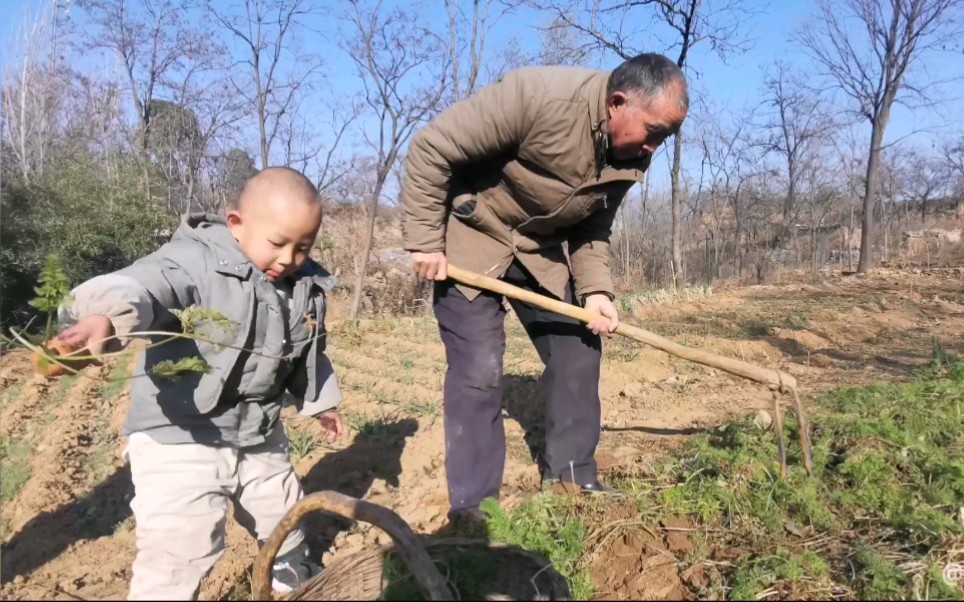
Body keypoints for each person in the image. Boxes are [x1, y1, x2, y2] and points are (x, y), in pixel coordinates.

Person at [400, 53, 689, 524]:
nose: (657, 148)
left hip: (541, 251)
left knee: (579, 345)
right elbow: (433, 148)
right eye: (655, 131)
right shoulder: (538, 96)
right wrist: (424, 241)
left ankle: (571, 478)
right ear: (618, 103)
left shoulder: (635, 154)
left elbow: (593, 228)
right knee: (479, 368)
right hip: (471, 238)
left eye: (666, 137)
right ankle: (475, 509)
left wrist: (597, 291)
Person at [53, 167, 345, 600]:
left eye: (303, 247)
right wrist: (103, 314)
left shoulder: (303, 287)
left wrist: (321, 403)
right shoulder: (194, 260)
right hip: (180, 437)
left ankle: (290, 587)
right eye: (277, 243)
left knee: (285, 524)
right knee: (180, 552)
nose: (288, 259)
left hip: (258, 435)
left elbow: (308, 351)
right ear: (236, 225)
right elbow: (148, 284)